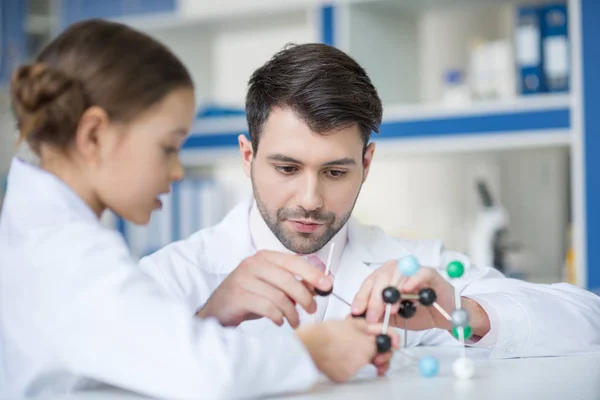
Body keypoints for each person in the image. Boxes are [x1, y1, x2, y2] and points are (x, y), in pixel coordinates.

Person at [0, 21, 399, 400]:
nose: (177, 171)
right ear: (93, 135)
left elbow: (137, 359)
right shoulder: (61, 252)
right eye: (168, 148)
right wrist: (314, 351)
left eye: (334, 170)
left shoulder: (44, 232)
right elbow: (205, 369)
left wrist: (212, 313)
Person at [140, 43, 600, 361]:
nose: (310, 199)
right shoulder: (178, 275)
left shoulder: (408, 268)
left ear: (367, 162)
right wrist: (208, 320)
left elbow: (587, 318)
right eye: (286, 168)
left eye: (336, 172)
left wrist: (461, 314)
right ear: (247, 156)